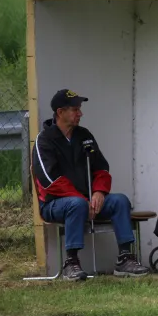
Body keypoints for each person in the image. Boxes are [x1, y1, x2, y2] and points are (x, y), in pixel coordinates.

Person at [31, 89, 149, 281]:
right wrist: (82, 199)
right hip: (55, 204)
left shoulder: (84, 135)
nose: (80, 114)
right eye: (75, 109)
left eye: (80, 109)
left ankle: (125, 259)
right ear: (60, 112)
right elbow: (49, 180)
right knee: (75, 205)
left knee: (120, 201)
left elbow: (101, 168)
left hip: (88, 202)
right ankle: (71, 263)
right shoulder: (44, 140)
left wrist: (99, 192)